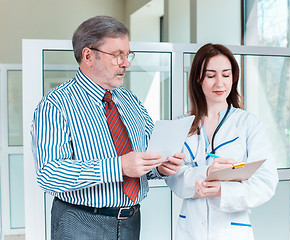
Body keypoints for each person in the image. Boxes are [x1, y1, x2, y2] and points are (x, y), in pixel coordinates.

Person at [31, 15, 184, 240]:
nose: (126, 63)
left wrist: (158, 168)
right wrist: (118, 166)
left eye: (127, 54)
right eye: (117, 55)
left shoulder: (129, 100)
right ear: (88, 55)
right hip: (80, 223)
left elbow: (142, 158)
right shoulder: (56, 104)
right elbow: (49, 173)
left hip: (131, 222)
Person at [165, 43, 279, 240]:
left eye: (226, 75)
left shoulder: (249, 124)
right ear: (198, 79)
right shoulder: (180, 125)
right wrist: (202, 176)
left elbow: (266, 182)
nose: (220, 83)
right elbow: (173, 178)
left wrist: (222, 191)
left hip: (232, 230)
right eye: (211, 75)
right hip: (191, 228)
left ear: (233, 78)